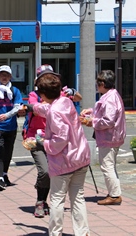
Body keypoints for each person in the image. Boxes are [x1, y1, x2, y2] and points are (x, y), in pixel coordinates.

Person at [27, 70, 91, 236]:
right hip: (80, 157)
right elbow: (47, 108)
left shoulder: (54, 111)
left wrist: (42, 142)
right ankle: (82, 232)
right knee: (77, 198)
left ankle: (55, 233)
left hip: (64, 162)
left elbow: (60, 140)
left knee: (57, 199)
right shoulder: (65, 102)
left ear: (42, 93)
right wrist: (32, 107)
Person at [80, 70, 126, 206]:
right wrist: (91, 111)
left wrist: (91, 121)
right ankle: (114, 192)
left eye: (98, 83)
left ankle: (114, 195)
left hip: (110, 137)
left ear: (103, 83)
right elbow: (104, 112)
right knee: (110, 165)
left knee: (107, 166)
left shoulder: (110, 98)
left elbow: (108, 120)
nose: (97, 86)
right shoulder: (111, 95)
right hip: (112, 137)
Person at [0, 65, 23, 191]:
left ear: (10, 76)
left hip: (11, 127)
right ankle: (0, 179)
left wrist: (7, 115)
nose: (4, 77)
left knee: (8, 153)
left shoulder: (15, 91)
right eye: (2, 74)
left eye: (7, 74)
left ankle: (4, 174)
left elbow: (17, 107)